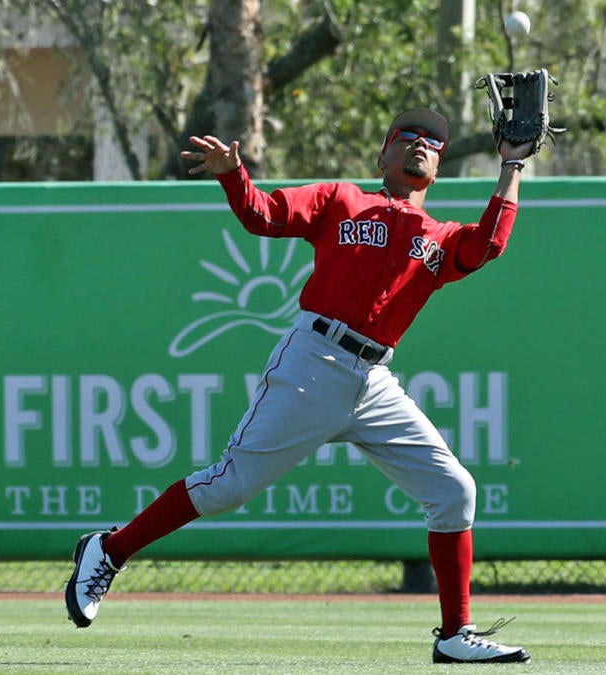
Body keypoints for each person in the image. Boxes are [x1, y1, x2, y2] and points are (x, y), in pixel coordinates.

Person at [65, 108, 534, 664]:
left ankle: (455, 634)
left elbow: (487, 247)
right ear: (383, 155)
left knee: (455, 491)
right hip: (314, 360)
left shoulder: (438, 237)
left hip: (374, 379)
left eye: (432, 141)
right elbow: (262, 215)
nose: (419, 144)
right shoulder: (341, 200)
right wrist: (231, 176)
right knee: (228, 486)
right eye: (405, 136)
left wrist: (513, 166)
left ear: (439, 165)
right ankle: (109, 549)